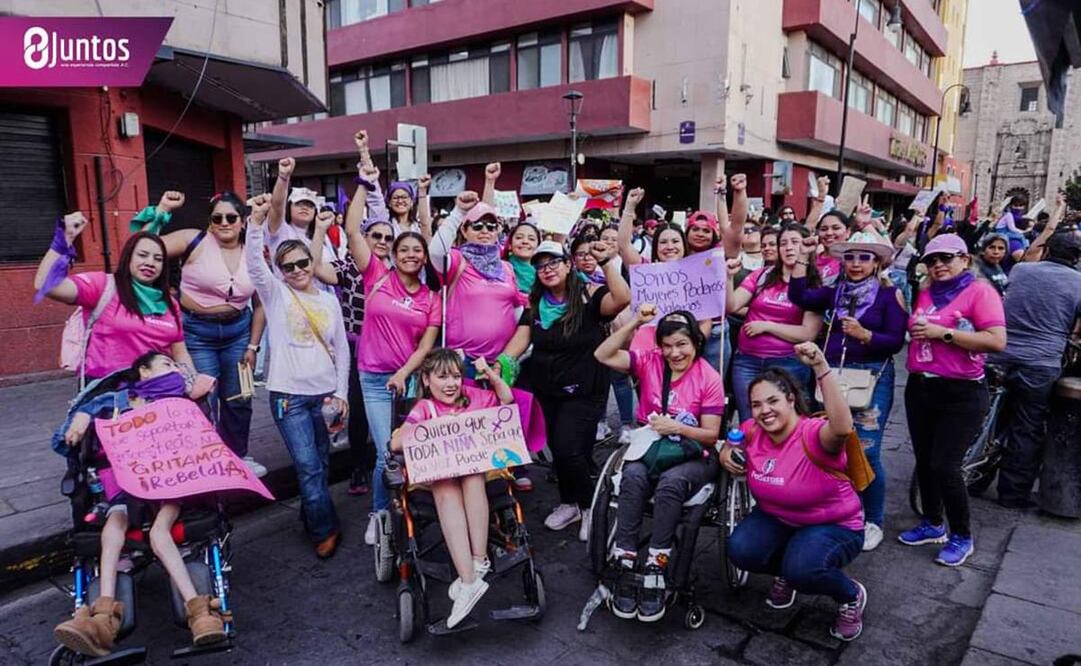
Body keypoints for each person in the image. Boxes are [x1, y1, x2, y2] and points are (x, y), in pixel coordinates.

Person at [52, 353, 227, 656]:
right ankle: (103, 618)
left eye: (175, 366)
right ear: (143, 371)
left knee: (160, 532)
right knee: (112, 531)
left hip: (167, 487)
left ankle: (199, 611)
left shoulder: (182, 401)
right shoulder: (115, 400)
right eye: (167, 365)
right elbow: (74, 425)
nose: (174, 369)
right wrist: (80, 421)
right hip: (124, 491)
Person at [719, 342, 867, 642]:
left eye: (772, 401)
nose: (764, 410)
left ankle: (850, 595)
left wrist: (821, 368)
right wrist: (726, 453)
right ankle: (788, 570)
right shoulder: (752, 429)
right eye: (757, 404)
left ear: (790, 400)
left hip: (834, 525)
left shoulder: (813, 433)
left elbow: (842, 428)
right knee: (740, 550)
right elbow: (731, 441)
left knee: (804, 568)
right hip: (779, 518)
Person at [594, 308, 724, 623]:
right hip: (650, 447)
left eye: (681, 344)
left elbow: (711, 435)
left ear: (696, 341)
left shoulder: (709, 377)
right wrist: (637, 322)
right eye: (667, 345)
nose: (674, 352)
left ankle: (657, 562)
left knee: (671, 484)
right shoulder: (650, 361)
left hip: (692, 453)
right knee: (633, 475)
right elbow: (602, 354)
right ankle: (625, 556)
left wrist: (678, 428)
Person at [788, 210, 907, 551]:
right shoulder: (835, 291)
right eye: (851, 257)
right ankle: (837, 507)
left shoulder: (888, 294)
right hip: (832, 377)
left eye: (864, 258)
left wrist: (866, 334)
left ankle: (874, 519)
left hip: (872, 378)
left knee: (867, 451)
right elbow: (802, 297)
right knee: (829, 445)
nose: (856, 264)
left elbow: (896, 339)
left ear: (876, 263)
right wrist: (801, 260)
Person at [130, 190, 268, 478]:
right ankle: (207, 458)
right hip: (196, 331)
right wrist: (161, 211)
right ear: (210, 221)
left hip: (238, 332)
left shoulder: (255, 249)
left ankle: (238, 455)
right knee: (204, 396)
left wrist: (253, 346)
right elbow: (141, 249)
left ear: (243, 221)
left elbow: (261, 305)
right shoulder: (193, 239)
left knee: (238, 397)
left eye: (232, 217)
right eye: (217, 218)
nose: (224, 223)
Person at [334, 188, 442, 546]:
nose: (411, 255)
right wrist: (363, 184)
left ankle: (414, 503)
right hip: (375, 379)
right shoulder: (376, 275)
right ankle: (380, 513)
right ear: (393, 255)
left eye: (417, 250)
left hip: (410, 381)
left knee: (411, 449)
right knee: (386, 453)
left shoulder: (430, 298)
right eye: (404, 250)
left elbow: (427, 346)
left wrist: (405, 374)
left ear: (425, 257)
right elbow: (351, 231)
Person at [502, 240, 629, 538]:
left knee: (568, 448)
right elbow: (518, 344)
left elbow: (622, 298)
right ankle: (569, 503)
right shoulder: (536, 306)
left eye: (553, 262)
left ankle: (589, 507)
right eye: (540, 265)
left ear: (568, 264)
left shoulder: (588, 295)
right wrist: (498, 365)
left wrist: (608, 261)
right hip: (549, 390)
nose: (547, 269)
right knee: (563, 453)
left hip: (586, 389)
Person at [245, 195, 349, 559]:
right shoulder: (276, 294)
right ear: (281, 270)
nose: (298, 270)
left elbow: (343, 351)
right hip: (288, 397)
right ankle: (325, 528)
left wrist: (342, 393)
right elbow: (255, 269)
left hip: (324, 396)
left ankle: (312, 515)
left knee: (320, 464)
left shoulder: (329, 300)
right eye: (289, 266)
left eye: (303, 262)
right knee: (306, 465)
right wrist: (255, 224)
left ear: (311, 261)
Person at [899, 233, 1006, 566]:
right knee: (925, 461)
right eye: (931, 260)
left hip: (961, 393)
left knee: (946, 465)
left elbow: (996, 340)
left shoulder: (980, 292)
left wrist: (943, 334)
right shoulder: (928, 292)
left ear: (965, 259)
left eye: (946, 258)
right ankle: (933, 523)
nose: (938, 265)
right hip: (921, 387)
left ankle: (962, 535)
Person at [391, 349, 515, 629]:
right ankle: (469, 579)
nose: (450, 384)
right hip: (440, 478)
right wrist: (433, 428)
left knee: (472, 473)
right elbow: (395, 444)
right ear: (426, 380)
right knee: (445, 486)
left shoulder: (475, 398)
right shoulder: (425, 409)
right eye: (442, 377)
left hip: (476, 474)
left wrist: (492, 376)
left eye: (456, 376)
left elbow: (506, 401)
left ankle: (478, 561)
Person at [33, 215, 194, 383]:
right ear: (128, 257)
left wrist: (192, 382)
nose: (150, 262)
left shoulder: (170, 303)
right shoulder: (103, 286)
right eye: (142, 255)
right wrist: (65, 239)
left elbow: (179, 351)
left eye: (158, 259)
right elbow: (46, 285)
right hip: (108, 392)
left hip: (156, 390)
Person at [990, 231, 1081, 508]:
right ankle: (1013, 495)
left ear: (1047, 251)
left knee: (988, 414)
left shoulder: (1021, 269)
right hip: (1040, 363)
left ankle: (973, 474)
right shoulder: (1079, 282)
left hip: (998, 354)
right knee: (1027, 427)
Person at [726, 223, 824, 422]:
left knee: (785, 421)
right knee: (749, 421)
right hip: (747, 362)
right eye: (783, 243)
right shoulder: (761, 276)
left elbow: (808, 333)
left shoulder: (814, 284)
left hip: (788, 363)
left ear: (806, 247)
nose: (788, 248)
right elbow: (732, 306)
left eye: (795, 242)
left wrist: (767, 326)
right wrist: (728, 278)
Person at [428, 183, 525, 375]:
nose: (485, 230)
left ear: (498, 230)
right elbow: (436, 250)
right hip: (464, 364)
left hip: (499, 365)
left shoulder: (507, 267)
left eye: (491, 226)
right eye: (477, 225)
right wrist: (458, 212)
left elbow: (517, 309)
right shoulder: (457, 260)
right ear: (464, 231)